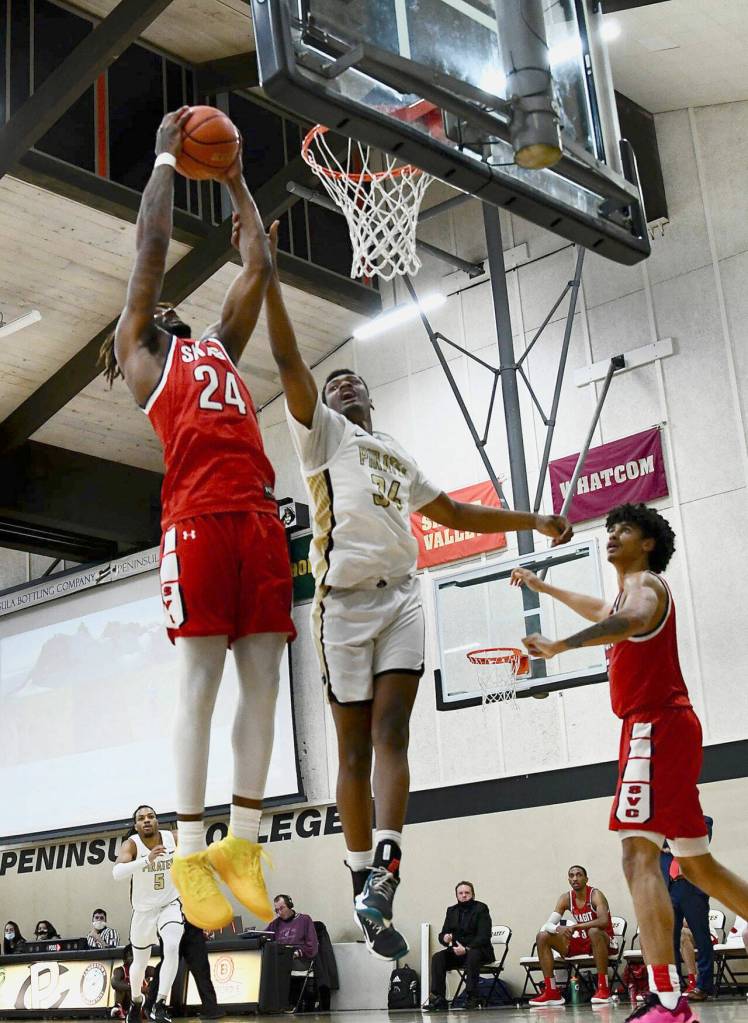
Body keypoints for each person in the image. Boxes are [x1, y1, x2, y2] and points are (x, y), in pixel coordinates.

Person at [261, 220, 572, 959]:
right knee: (354, 751)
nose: (341, 384)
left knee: (394, 732)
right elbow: (285, 356)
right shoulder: (323, 436)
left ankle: (387, 874)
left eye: (351, 380)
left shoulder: (395, 451)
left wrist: (534, 516)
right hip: (343, 604)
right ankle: (359, 875)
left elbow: (457, 513)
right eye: (334, 382)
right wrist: (266, 274)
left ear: (370, 394)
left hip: (403, 594)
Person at [98, 107, 295, 932]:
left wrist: (237, 174)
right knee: (202, 684)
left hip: (256, 514)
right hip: (197, 520)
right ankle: (186, 847)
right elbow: (148, 251)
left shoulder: (216, 344)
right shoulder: (145, 352)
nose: (168, 298)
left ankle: (241, 840)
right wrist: (167, 162)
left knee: (266, 678)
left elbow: (259, 260)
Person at [513, 502, 748, 1022]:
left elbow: (630, 619)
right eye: (610, 528)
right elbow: (601, 608)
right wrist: (545, 588)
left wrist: (559, 646)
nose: (612, 535)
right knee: (699, 866)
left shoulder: (645, 586)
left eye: (624, 529)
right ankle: (669, 998)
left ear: (648, 543)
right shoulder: (627, 590)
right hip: (666, 726)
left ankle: (667, 1001)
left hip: (652, 727)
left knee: (637, 857)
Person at [113, 805, 185, 1023]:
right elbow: (117, 873)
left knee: (172, 947)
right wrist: (146, 860)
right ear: (136, 825)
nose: (146, 820)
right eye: (141, 818)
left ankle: (160, 1003)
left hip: (169, 904)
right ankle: (136, 1002)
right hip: (143, 911)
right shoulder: (131, 844)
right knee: (140, 963)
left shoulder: (173, 838)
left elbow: (200, 849)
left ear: (157, 821)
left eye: (150, 816)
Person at [529, 864, 616, 1006]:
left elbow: (603, 921)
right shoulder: (565, 898)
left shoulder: (595, 895)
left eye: (579, 875)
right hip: (582, 940)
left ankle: (604, 989)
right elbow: (548, 925)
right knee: (542, 936)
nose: (575, 878)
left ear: (586, 879)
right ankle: (552, 992)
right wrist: (559, 929)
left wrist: (576, 926)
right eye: (571, 875)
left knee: (594, 931)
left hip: (604, 939)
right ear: (568, 880)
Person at [661, 817, 715, 1002]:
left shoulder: (703, 821)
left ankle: (704, 986)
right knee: (670, 941)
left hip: (692, 887)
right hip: (670, 888)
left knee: (701, 937)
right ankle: (673, 987)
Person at [423, 881, 493, 1011]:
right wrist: (444, 938)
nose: (464, 895)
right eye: (460, 893)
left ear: (473, 894)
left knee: (472, 954)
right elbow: (443, 933)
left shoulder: (481, 908)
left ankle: (472, 997)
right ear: (456, 895)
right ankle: (439, 999)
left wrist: (466, 949)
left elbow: (484, 936)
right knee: (438, 957)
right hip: (458, 952)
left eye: (467, 893)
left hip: (479, 951)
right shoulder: (452, 911)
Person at [146, 921, 222, 1020]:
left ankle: (211, 1007)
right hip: (171, 925)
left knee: (201, 967)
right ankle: (152, 1005)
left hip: (192, 925)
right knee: (167, 966)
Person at [267, 895, 319, 1009]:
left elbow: (312, 946)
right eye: (277, 910)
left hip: (300, 959)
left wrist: (297, 953)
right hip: (282, 959)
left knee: (280, 968)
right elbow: (265, 938)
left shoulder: (305, 920)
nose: (279, 912)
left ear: (290, 906)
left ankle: (288, 1004)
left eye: (282, 908)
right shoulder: (274, 924)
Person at [111, 945, 157, 1019]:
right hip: (127, 1003)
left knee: (152, 987)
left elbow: (161, 976)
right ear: (124, 959)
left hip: (142, 1001)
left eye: (134, 956)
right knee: (120, 987)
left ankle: (151, 1009)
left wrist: (151, 987)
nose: (132, 958)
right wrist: (138, 988)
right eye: (130, 956)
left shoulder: (147, 969)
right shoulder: (120, 970)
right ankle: (118, 1009)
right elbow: (114, 983)